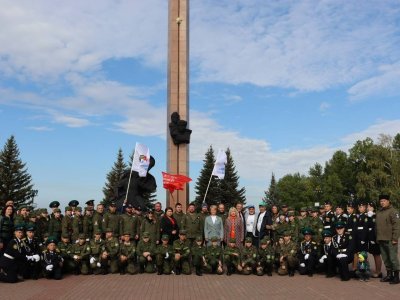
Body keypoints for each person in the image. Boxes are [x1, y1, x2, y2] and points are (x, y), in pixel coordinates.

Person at [376, 194, 400, 284]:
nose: (382, 202)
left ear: (388, 201)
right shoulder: (379, 212)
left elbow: (397, 226)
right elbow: (377, 226)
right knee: (385, 258)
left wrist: (395, 238)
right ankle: (389, 275)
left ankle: (396, 277)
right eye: (381, 201)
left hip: (390, 239)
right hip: (381, 238)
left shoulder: (393, 211)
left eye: (384, 201)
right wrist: (377, 237)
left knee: (393, 258)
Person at [366, 201, 382, 278]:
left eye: (370, 207)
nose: (368, 208)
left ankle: (378, 271)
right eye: (368, 207)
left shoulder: (376, 216)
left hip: (374, 238)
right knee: (373, 254)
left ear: (373, 208)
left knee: (376, 254)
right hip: (368, 237)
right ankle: (373, 270)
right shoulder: (367, 216)